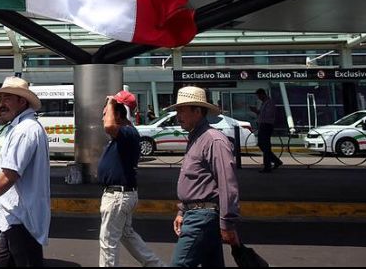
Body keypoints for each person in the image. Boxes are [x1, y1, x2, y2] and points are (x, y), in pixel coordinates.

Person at [169, 86, 240, 267]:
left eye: (182, 110)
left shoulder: (213, 140)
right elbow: (195, 180)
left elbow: (227, 183)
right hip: (195, 213)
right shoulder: (196, 137)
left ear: (198, 111)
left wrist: (227, 223)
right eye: (177, 110)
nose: (178, 115)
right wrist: (182, 210)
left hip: (203, 218)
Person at [0, 77, 50, 267]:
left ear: (22, 101)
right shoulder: (22, 127)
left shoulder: (24, 130)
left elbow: (8, 175)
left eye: (7, 98)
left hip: (21, 218)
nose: (1, 104)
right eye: (1, 98)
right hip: (16, 216)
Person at [98, 91, 165, 267]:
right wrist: (111, 103)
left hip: (117, 196)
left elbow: (109, 127)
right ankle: (156, 265)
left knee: (108, 243)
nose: (104, 117)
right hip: (121, 195)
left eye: (107, 113)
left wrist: (111, 102)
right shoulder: (124, 135)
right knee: (127, 235)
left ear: (119, 114)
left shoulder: (127, 132)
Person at [249, 88, 282, 173]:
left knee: (265, 145)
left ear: (263, 94)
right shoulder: (264, 103)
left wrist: (257, 112)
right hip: (262, 124)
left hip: (266, 125)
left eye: (259, 96)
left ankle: (268, 165)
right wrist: (257, 111)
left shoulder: (269, 103)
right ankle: (275, 161)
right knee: (262, 144)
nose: (258, 98)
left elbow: (268, 114)